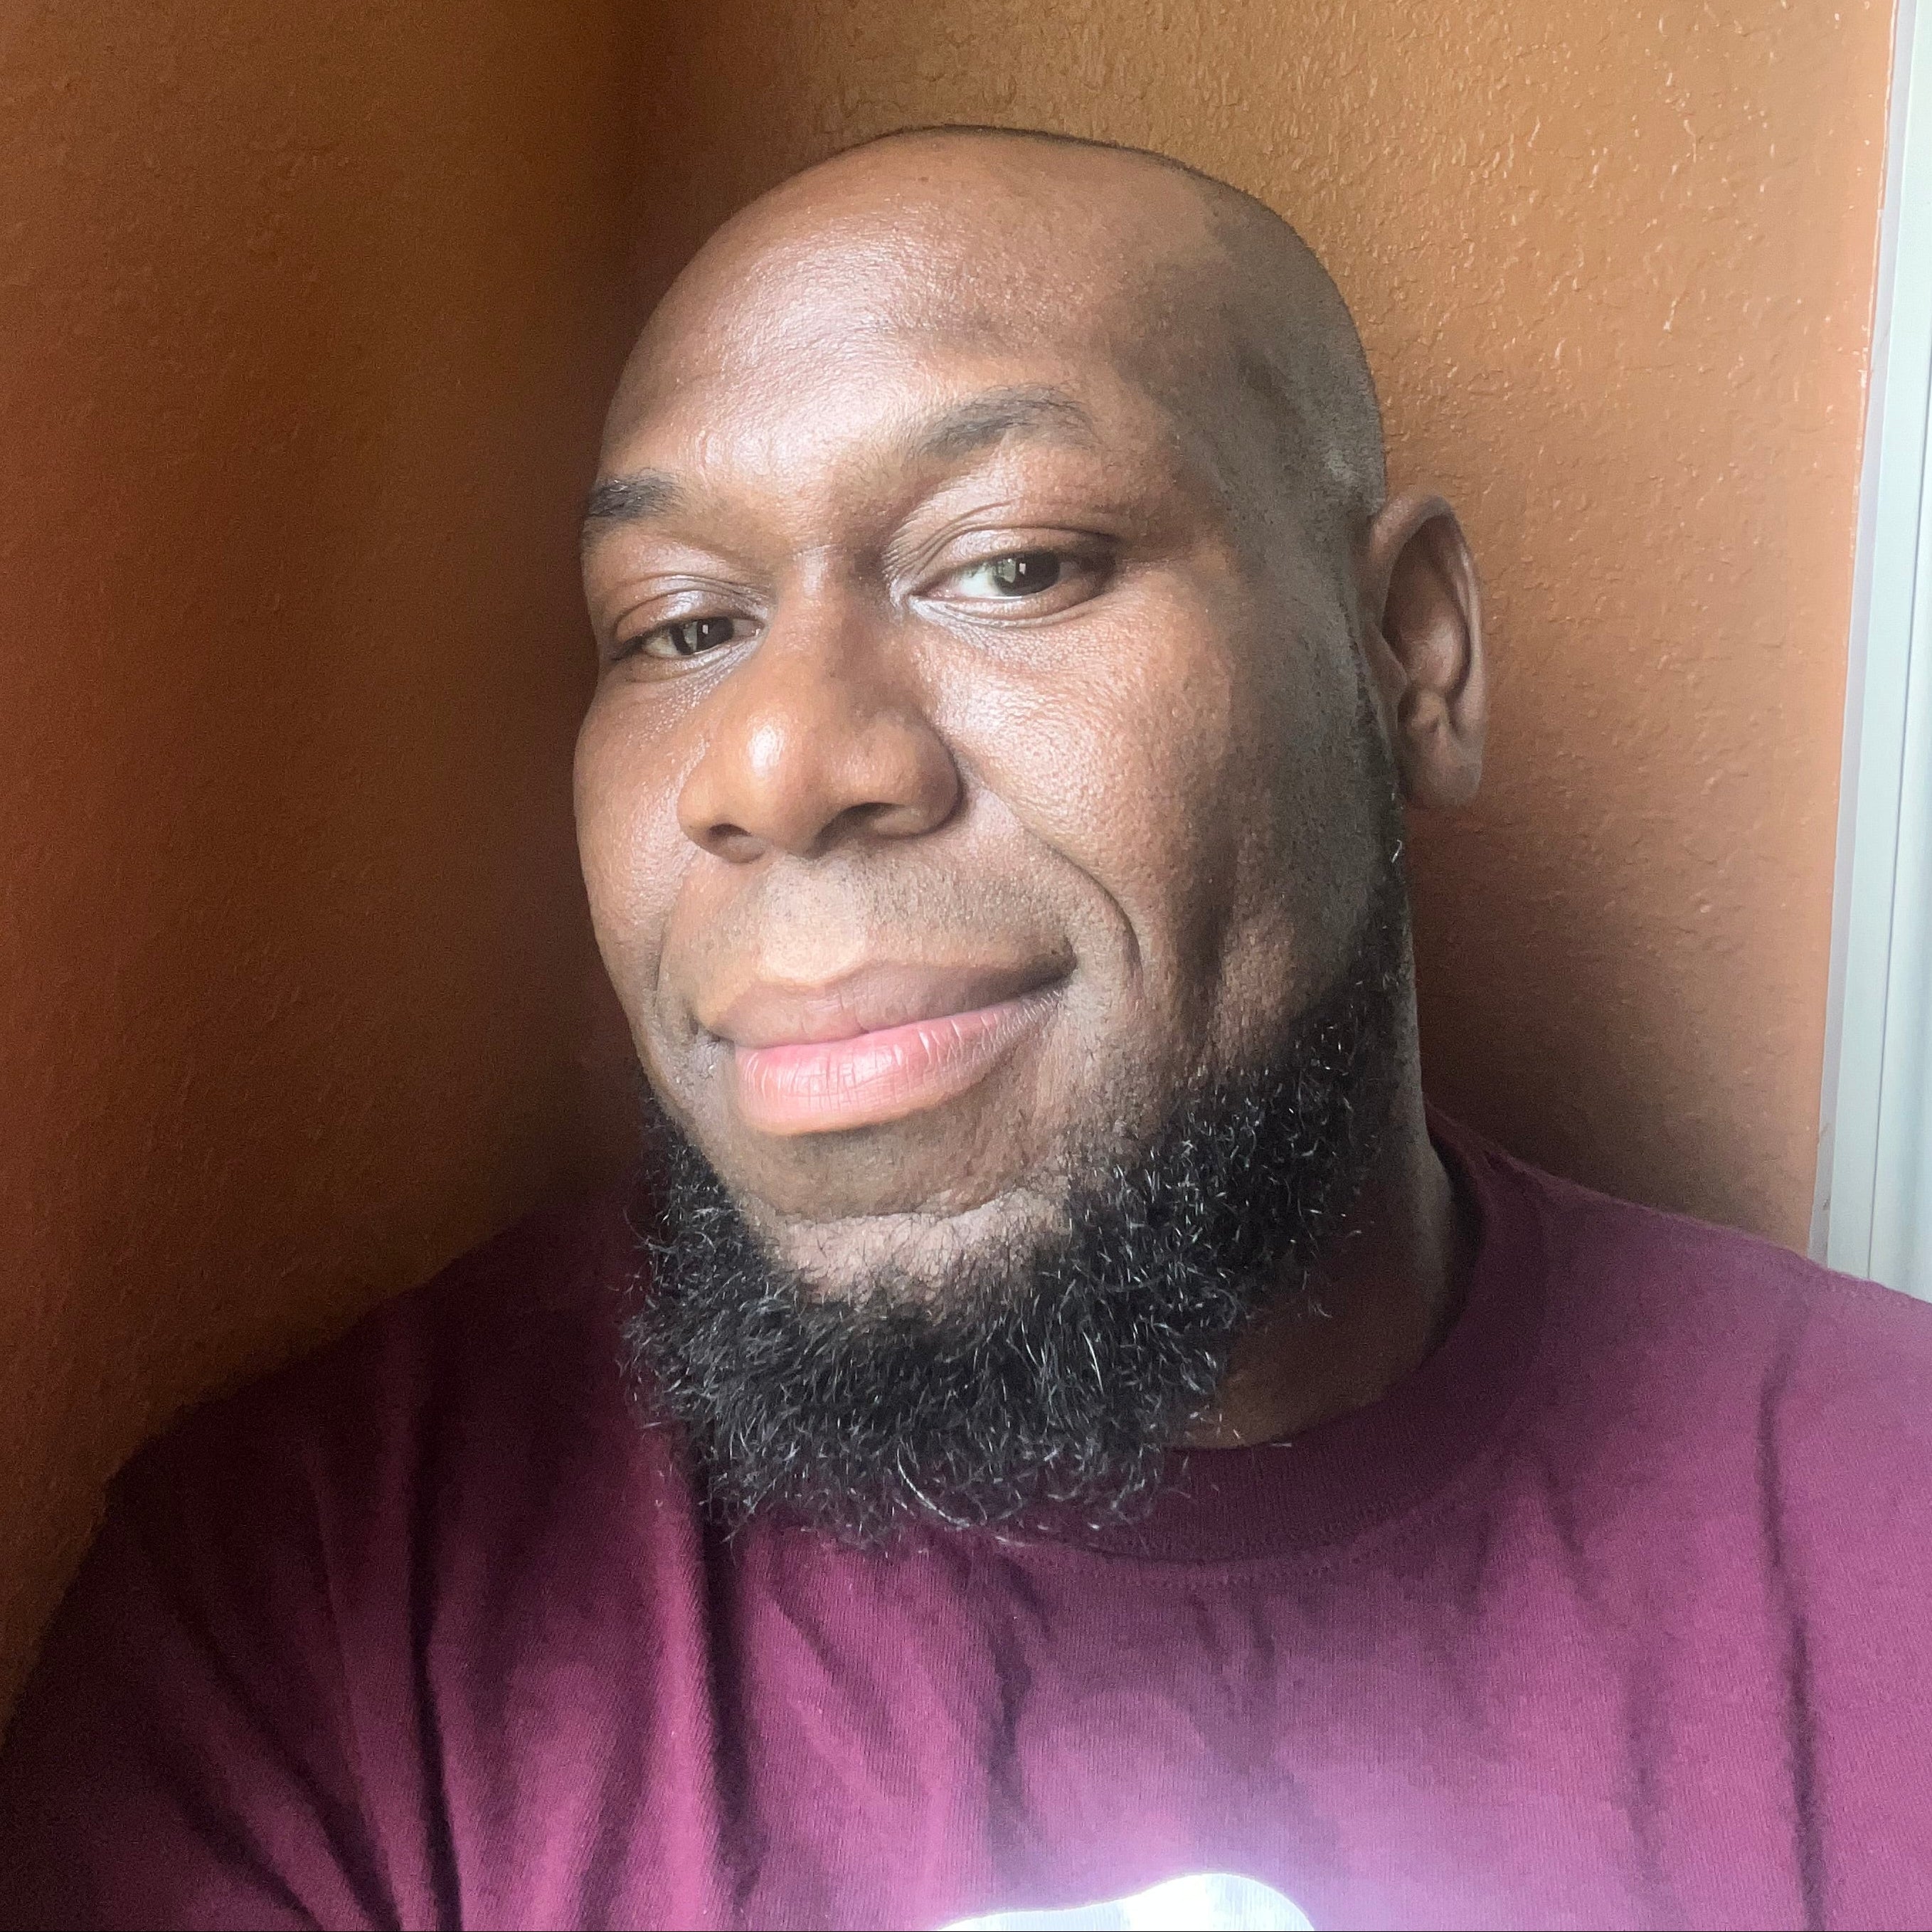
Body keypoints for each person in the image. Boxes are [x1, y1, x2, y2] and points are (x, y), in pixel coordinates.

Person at [1, 125, 1927, 1932]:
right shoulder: (317, 1624)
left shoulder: (1883, 1523)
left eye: (1016, 563)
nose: (773, 763)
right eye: (677, 626)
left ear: (1409, 653)